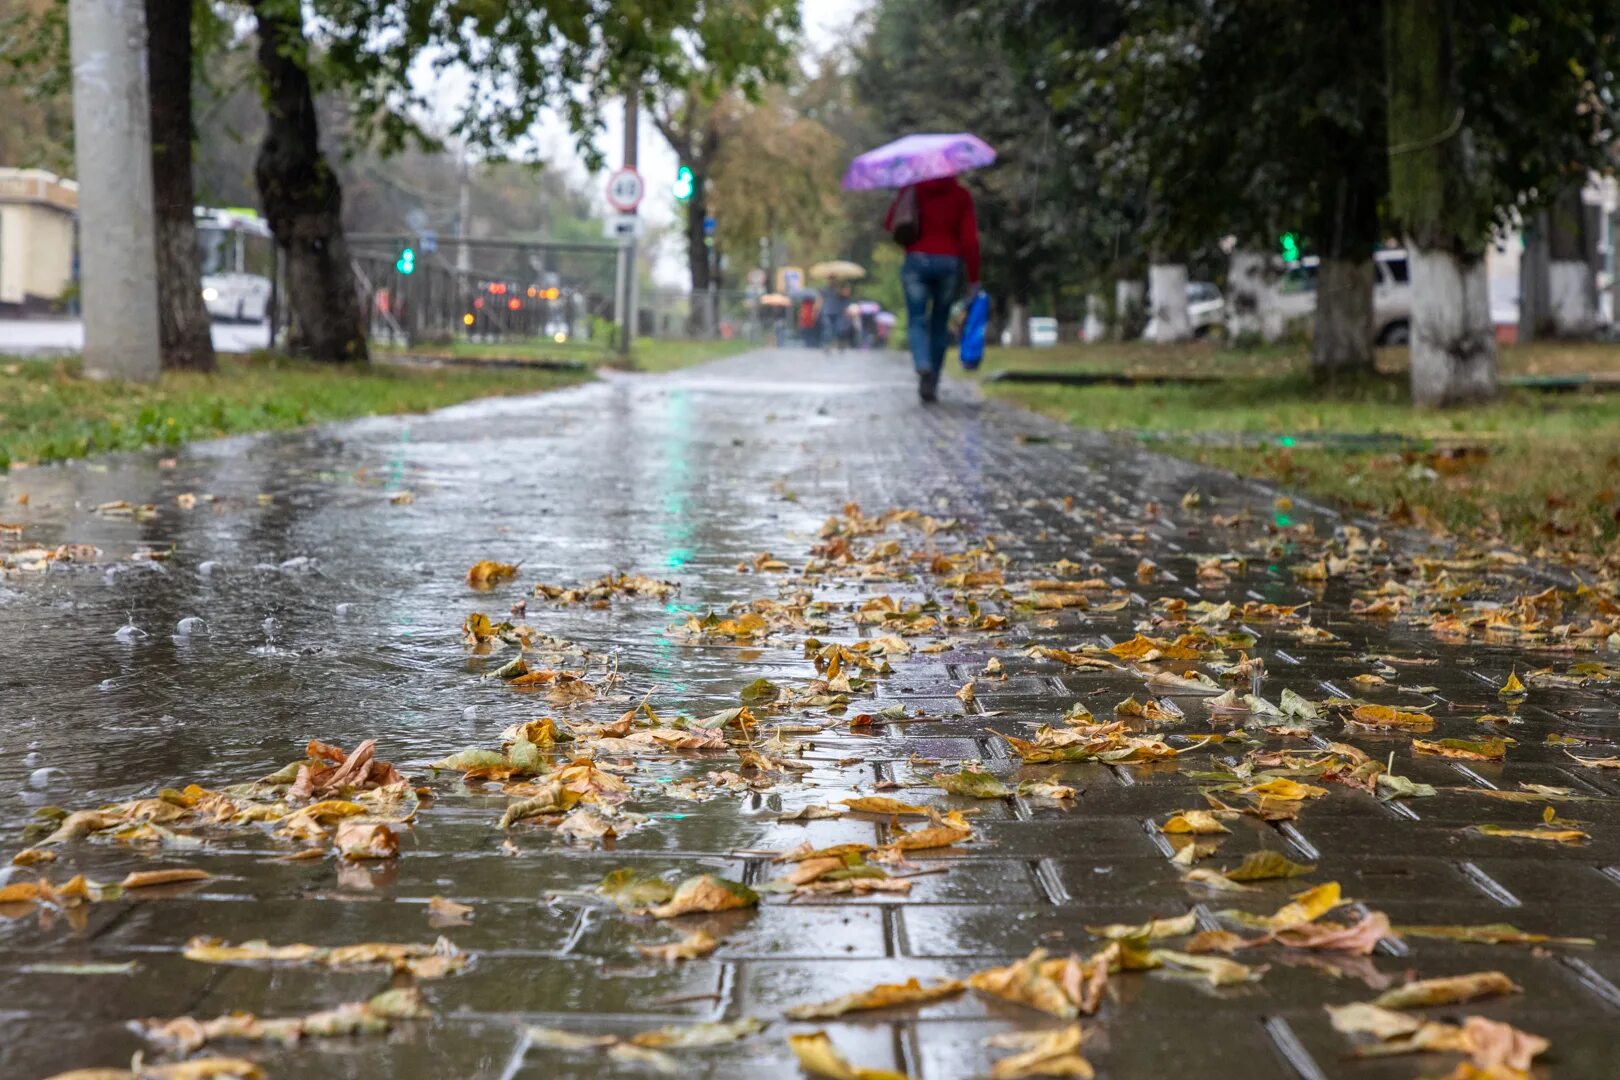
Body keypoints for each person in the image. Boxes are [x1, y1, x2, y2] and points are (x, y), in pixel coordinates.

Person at [884, 175, 981, 402]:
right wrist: (974, 277)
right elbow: (970, 240)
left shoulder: (912, 189)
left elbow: (891, 223)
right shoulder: (960, 195)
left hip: (916, 261)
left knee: (917, 318)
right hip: (949, 263)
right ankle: (933, 380)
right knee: (939, 322)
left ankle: (922, 364)